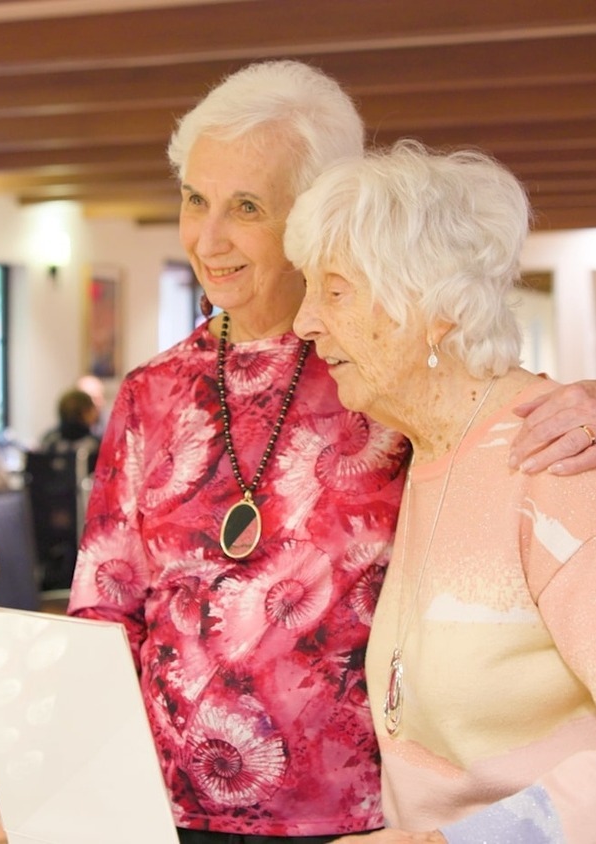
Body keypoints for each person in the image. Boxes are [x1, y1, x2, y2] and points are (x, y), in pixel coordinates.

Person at [67, 59, 596, 843]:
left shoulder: (388, 386)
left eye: (246, 206)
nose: (208, 238)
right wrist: (68, 781)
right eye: (193, 199)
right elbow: (101, 609)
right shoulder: (153, 393)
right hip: (166, 806)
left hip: (358, 819)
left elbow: (499, 419)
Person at [287, 139, 596, 843]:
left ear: (433, 309)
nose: (304, 322)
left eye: (332, 290)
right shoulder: (421, 456)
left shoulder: (553, 459)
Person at [39, 387, 101, 474]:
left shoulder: (49, 440)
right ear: (84, 412)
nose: (95, 414)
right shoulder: (95, 444)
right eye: (92, 409)